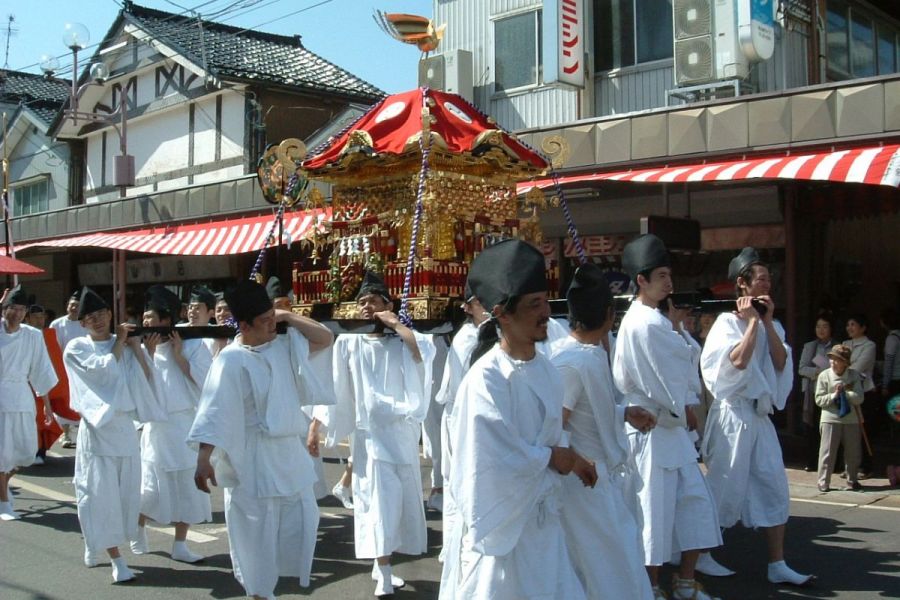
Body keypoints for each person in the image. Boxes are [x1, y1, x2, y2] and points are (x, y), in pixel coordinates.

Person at [447, 239, 595, 600]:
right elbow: (490, 458)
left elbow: (551, 434)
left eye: (545, 301)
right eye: (534, 305)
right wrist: (556, 458)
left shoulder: (546, 368)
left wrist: (567, 456)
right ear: (503, 314)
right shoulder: (487, 379)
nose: (546, 312)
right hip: (506, 531)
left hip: (544, 524)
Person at [189, 279, 334, 600]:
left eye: (272, 318)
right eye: (265, 321)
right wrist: (203, 459)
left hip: (288, 455)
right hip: (250, 458)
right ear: (243, 325)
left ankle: (272, 588)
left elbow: (325, 338)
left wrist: (286, 317)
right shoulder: (229, 360)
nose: (271, 325)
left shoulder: (283, 344)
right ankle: (258, 593)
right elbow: (214, 411)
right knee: (254, 538)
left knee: (301, 522)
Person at [612, 234, 723, 600]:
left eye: (669, 274)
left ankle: (686, 580)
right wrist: (683, 403)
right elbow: (678, 371)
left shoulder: (656, 321)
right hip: (655, 428)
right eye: (660, 275)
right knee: (653, 514)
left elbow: (685, 362)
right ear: (641, 280)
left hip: (672, 430)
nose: (668, 282)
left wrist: (676, 328)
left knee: (695, 504)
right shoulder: (644, 322)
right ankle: (652, 586)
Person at [700, 247, 812, 587]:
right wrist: (750, 325)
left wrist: (765, 322)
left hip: (759, 418)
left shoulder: (771, 323)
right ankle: (701, 553)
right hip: (732, 416)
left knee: (773, 484)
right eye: (760, 278)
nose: (767, 283)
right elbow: (734, 363)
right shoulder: (725, 323)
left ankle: (777, 562)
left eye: (768, 278)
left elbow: (781, 363)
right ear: (743, 285)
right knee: (723, 485)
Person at [326, 270, 435, 597]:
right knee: (376, 504)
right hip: (369, 439)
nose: (367, 306)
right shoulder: (349, 341)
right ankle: (384, 570)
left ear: (388, 304)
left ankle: (383, 563)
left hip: (401, 435)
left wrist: (397, 325)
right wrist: (323, 424)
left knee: (400, 505)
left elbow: (423, 354)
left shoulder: (404, 340)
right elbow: (336, 387)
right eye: (362, 302)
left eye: (373, 300)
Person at [550, 262, 656, 599]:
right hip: (584, 482)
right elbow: (557, 423)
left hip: (600, 478)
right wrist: (578, 461)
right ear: (610, 315)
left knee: (616, 561)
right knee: (604, 568)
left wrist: (624, 412)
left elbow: (586, 408)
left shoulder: (589, 354)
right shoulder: (569, 360)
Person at [64, 287, 166, 582]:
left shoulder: (122, 343)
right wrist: (121, 343)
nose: (97, 321)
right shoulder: (77, 348)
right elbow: (102, 374)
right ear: (82, 323)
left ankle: (100, 542)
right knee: (99, 495)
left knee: (125, 495)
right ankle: (116, 559)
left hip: (124, 429)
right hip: (97, 430)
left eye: (101, 314)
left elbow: (146, 382)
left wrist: (141, 349)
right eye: (90, 318)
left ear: (110, 314)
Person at [131, 286, 212, 563]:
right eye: (144, 317)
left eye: (151, 317)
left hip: (185, 425)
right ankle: (137, 529)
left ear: (166, 320)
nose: (146, 322)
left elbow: (206, 385)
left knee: (188, 489)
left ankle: (180, 544)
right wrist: (149, 354)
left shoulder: (193, 344)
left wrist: (179, 356)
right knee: (151, 487)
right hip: (157, 429)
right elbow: (139, 388)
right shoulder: (140, 347)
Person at [435, 284, 487, 600]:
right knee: (458, 488)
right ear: (468, 307)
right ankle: (456, 550)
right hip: (461, 416)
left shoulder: (482, 334)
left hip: (467, 416)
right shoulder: (469, 338)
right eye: (482, 303)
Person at [0, 287, 58, 520]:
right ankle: (4, 501)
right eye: (11, 308)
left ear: (26, 313)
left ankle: (2, 486)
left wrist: (47, 404)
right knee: (1, 453)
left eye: (21, 309)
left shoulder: (33, 336)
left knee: (25, 453)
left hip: (22, 396)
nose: (16, 313)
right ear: (4, 310)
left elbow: (41, 369)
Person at [814, 344, 864, 492]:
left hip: (851, 419)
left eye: (837, 359)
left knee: (853, 452)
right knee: (827, 452)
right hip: (830, 418)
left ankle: (852, 480)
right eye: (831, 359)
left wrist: (846, 393)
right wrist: (834, 395)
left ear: (845, 362)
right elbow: (819, 399)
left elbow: (860, 398)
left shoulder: (854, 375)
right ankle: (823, 482)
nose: (833, 362)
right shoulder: (824, 375)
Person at [49, 288, 88, 448]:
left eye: (78, 306)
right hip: (62, 369)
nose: (74, 308)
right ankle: (65, 434)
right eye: (72, 305)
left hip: (82, 370)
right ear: (67, 306)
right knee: (65, 402)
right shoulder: (57, 324)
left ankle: (81, 434)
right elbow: (53, 346)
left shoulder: (85, 324)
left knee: (81, 401)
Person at [798, 315, 834, 471]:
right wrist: (819, 371)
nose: (821, 330)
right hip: (812, 391)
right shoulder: (810, 346)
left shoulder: (837, 346)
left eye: (825, 326)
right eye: (818, 326)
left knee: (829, 428)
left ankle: (831, 463)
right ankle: (812, 461)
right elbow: (801, 368)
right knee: (811, 428)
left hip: (831, 392)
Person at [842, 313, 876, 478]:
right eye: (848, 324)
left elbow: (858, 368)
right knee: (848, 430)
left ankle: (866, 466)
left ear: (863, 327)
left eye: (853, 324)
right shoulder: (845, 344)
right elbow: (835, 366)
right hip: (846, 391)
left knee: (864, 430)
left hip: (864, 392)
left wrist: (843, 369)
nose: (850, 328)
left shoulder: (869, 345)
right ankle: (850, 466)